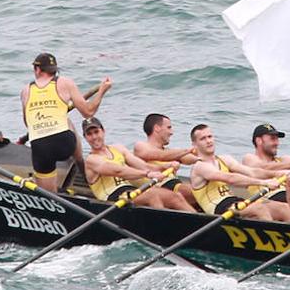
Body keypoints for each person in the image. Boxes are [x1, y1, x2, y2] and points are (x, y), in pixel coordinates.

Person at [20, 52, 111, 192]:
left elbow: (28, 123)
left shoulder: (26, 90)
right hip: (65, 144)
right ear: (54, 70)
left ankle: (54, 192)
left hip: (40, 147)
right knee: (67, 123)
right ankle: (82, 168)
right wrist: (102, 91)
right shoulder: (65, 83)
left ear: (37, 69)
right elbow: (88, 113)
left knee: (49, 195)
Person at [188, 124, 290, 222]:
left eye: (210, 137)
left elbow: (252, 172)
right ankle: (274, 238)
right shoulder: (200, 166)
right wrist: (264, 183)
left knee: (283, 208)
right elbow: (230, 178)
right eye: (203, 139)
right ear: (195, 144)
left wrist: (277, 174)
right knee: (260, 209)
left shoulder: (224, 159)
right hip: (219, 208)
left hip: (235, 202)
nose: (208, 141)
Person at [81, 118, 195, 211]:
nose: (94, 137)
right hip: (112, 199)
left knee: (176, 197)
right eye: (89, 134)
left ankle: (198, 225)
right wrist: (147, 174)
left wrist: (165, 166)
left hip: (132, 191)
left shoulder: (118, 148)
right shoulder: (92, 160)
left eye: (96, 132)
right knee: (152, 195)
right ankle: (165, 229)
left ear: (103, 131)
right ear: (85, 137)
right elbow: (118, 171)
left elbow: (144, 166)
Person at [133, 113, 200, 209]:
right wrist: (187, 151)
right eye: (169, 127)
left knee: (205, 188)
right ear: (157, 128)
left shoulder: (169, 151)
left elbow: (189, 159)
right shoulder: (141, 146)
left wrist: (200, 156)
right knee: (195, 192)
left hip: (174, 184)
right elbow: (159, 155)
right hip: (158, 186)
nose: (171, 132)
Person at [241, 123, 290, 205]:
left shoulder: (284, 159)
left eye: (277, 139)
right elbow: (260, 168)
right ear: (259, 141)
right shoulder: (250, 158)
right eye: (272, 139)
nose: (277, 143)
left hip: (289, 197)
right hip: (266, 200)